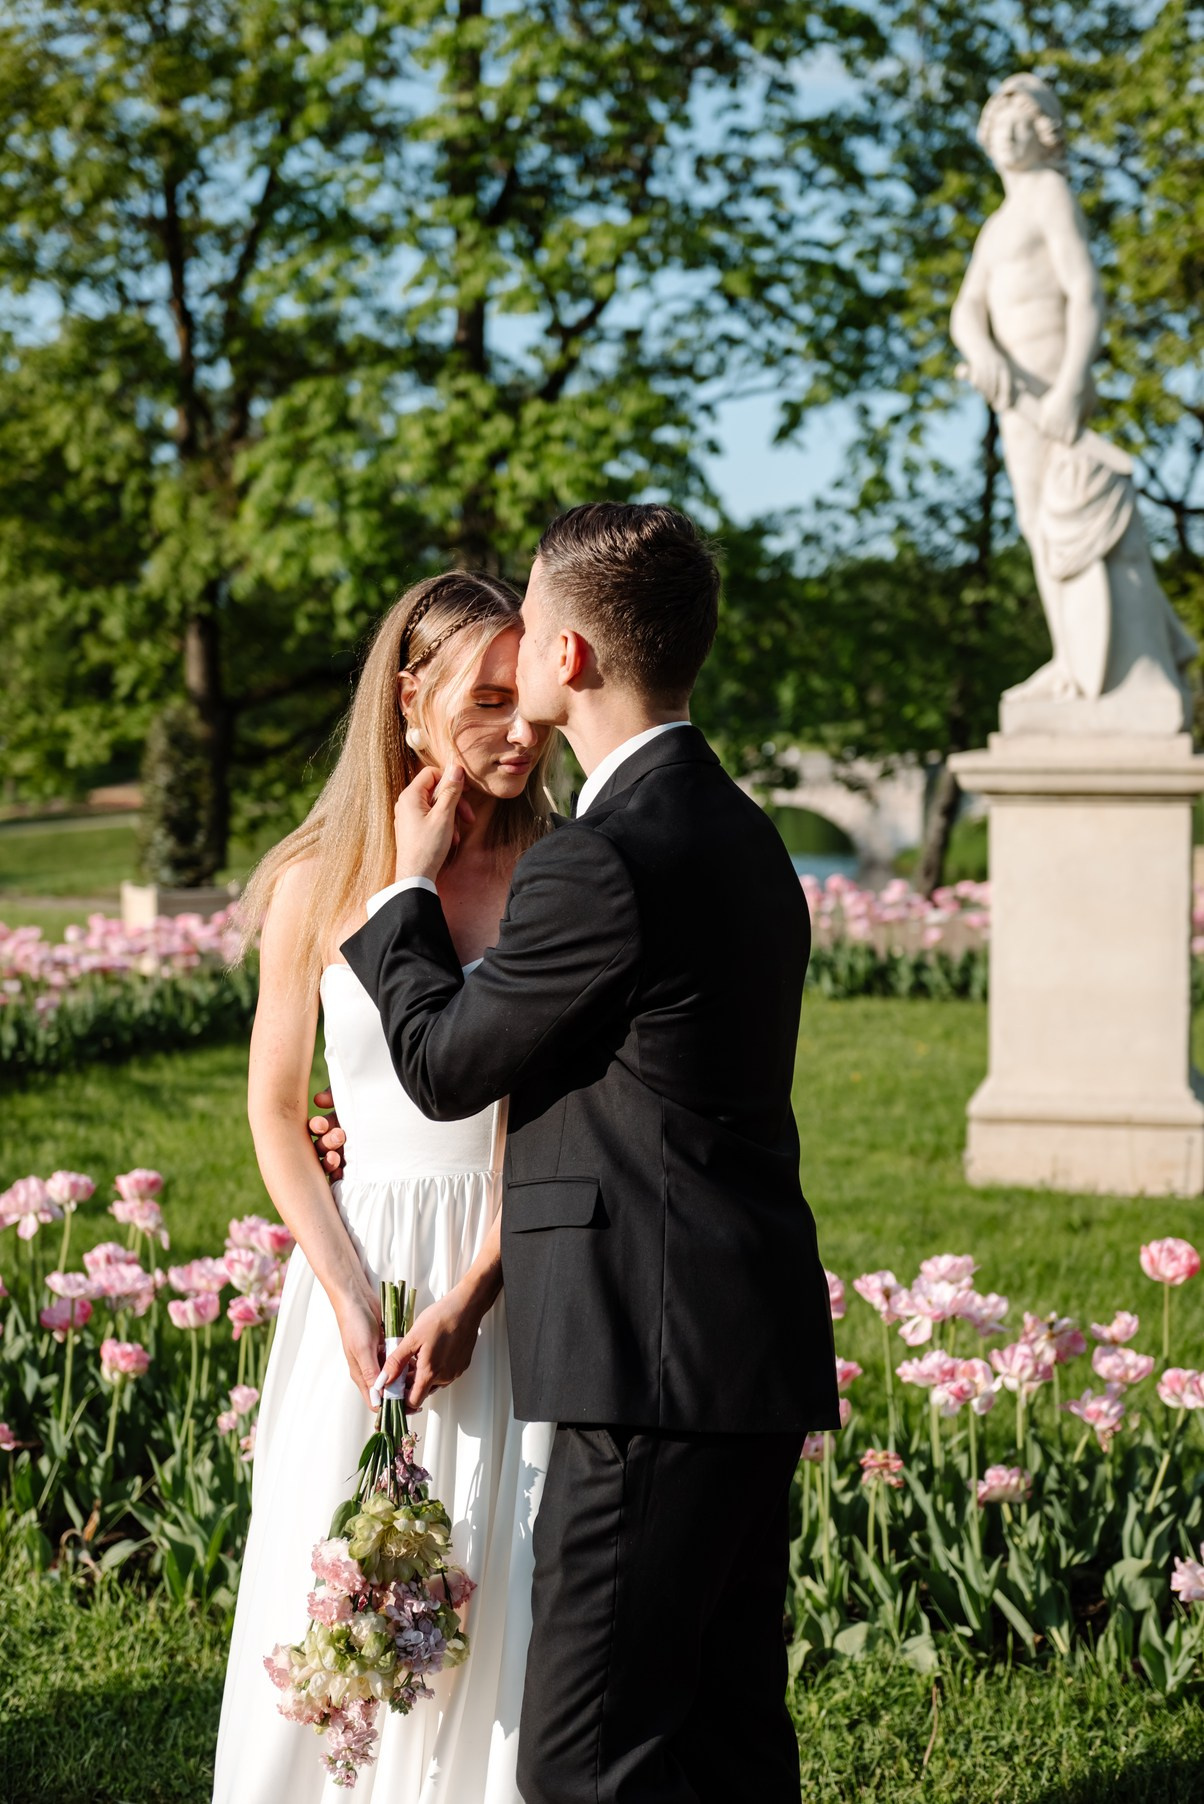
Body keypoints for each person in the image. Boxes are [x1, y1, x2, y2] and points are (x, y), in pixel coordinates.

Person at [340, 502, 840, 1804]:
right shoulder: (741, 832)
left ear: (566, 657)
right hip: (746, 1355)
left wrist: (407, 886)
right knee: (727, 1741)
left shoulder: (602, 860)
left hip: (649, 1368)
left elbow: (446, 1065)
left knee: (581, 1762)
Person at [211, 571, 558, 1803]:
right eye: (489, 699)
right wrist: (350, 1295)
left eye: (537, 699)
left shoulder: (558, 877)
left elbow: (553, 1117)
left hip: (504, 1269)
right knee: (334, 1570)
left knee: (494, 1572)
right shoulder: (314, 878)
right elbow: (274, 1109)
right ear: (412, 700)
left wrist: (475, 1287)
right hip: (354, 1274)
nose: (524, 729)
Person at [951, 72, 1194, 717]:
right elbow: (966, 309)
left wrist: (1068, 384)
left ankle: (1099, 669)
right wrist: (982, 352)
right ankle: (1076, 659)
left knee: (1069, 519)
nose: (1006, 134)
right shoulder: (998, 224)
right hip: (1017, 398)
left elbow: (1086, 293)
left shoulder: (1049, 195)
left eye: (1020, 122)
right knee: (1038, 526)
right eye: (997, 123)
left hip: (1053, 390)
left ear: (1045, 133)